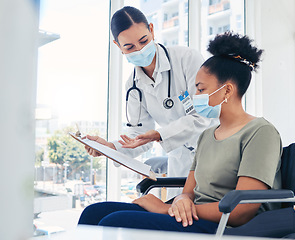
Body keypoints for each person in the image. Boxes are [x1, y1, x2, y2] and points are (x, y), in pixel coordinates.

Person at [78, 32, 283, 234]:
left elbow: (242, 210)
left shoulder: (260, 132)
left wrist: (165, 209)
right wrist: (181, 200)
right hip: (193, 216)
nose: (196, 97)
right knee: (94, 212)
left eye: (201, 90)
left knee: (115, 222)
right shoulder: (207, 136)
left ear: (227, 91)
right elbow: (188, 193)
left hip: (227, 226)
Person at [85, 6, 216, 196]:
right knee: (179, 217)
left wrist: (159, 134)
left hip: (212, 154)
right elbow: (139, 135)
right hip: (180, 164)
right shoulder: (133, 86)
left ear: (152, 30)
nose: (139, 50)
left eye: (144, 41)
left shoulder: (187, 59)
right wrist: (110, 148)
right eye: (129, 47)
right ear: (117, 46)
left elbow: (203, 116)